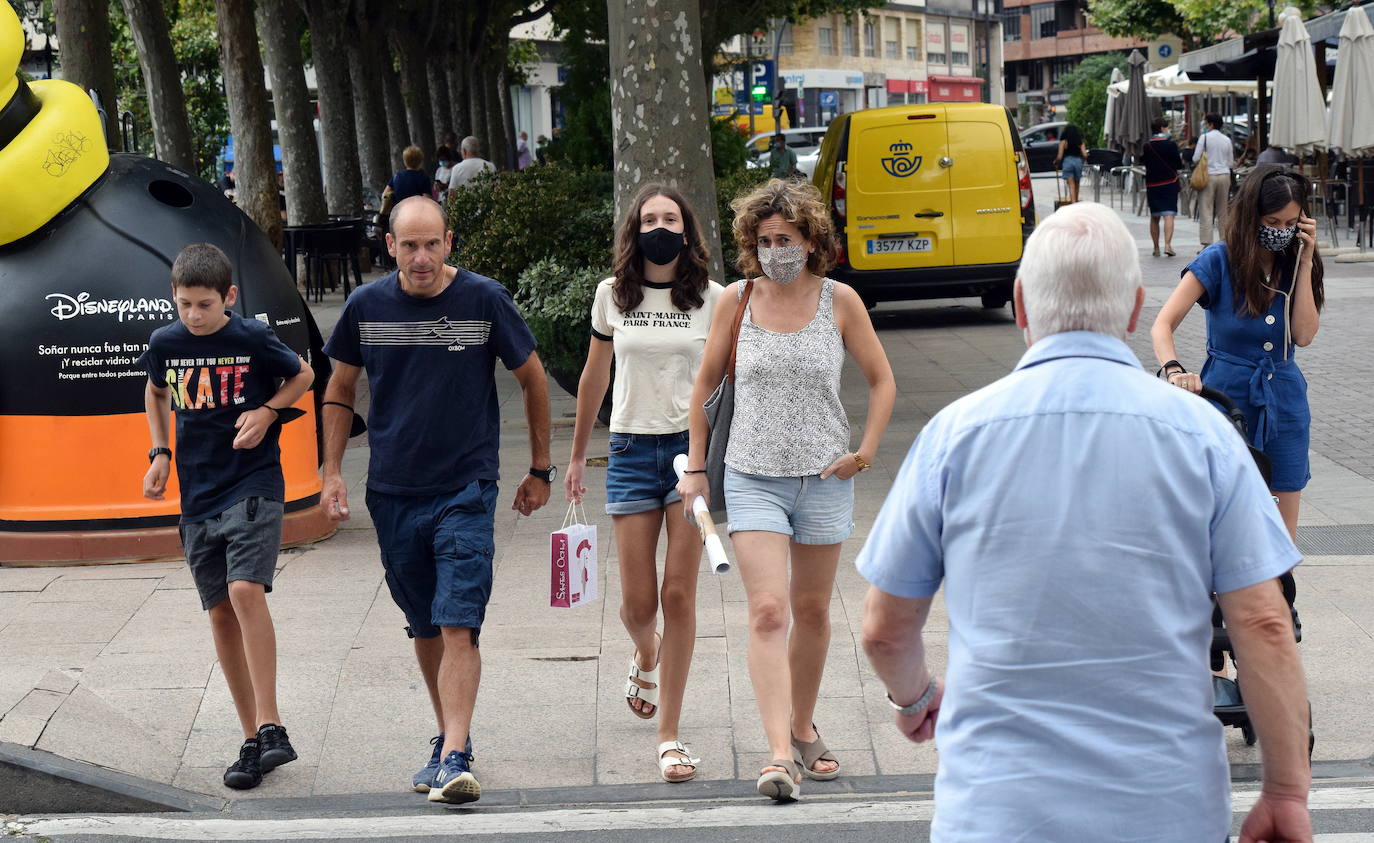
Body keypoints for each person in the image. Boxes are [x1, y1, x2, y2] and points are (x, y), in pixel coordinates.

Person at [857, 202, 1311, 843]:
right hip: (1164, 807)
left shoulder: (954, 436)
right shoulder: (1205, 437)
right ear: (1133, 308)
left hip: (997, 809)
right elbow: (1264, 623)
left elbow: (883, 628)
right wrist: (1286, 790)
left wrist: (914, 698)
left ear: (1019, 302)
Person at [319, 196, 553, 804]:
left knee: (457, 622)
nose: (421, 258)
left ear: (449, 242)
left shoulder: (483, 300)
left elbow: (532, 377)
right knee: (423, 622)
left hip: (466, 488)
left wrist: (540, 468)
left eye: (432, 244)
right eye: (409, 245)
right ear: (390, 246)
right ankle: (451, 736)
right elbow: (339, 387)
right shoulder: (365, 307)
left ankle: (453, 754)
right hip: (393, 490)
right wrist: (331, 472)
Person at [677, 178, 895, 802]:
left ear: (811, 241)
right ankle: (778, 754)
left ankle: (803, 723)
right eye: (765, 240)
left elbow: (882, 382)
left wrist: (865, 453)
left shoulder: (840, 301)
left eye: (787, 239)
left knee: (816, 611)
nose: (775, 250)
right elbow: (703, 391)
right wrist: (696, 469)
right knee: (769, 610)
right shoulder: (737, 303)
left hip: (825, 477)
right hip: (752, 474)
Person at [139, 243, 314, 791]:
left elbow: (303, 376)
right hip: (198, 494)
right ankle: (252, 740)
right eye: (184, 303)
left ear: (229, 298)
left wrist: (266, 412)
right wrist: (159, 454)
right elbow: (154, 391)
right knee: (219, 613)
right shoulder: (165, 344)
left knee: (244, 592)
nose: (193, 315)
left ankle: (272, 722)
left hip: (253, 481)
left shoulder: (251, 337)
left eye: (204, 305)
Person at [564, 184, 724, 783]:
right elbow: (594, 374)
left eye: (671, 217)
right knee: (638, 603)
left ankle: (670, 735)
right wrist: (578, 456)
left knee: (679, 595)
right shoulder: (613, 296)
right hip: (630, 451)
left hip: (692, 456)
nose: (661, 226)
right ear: (635, 228)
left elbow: (725, 381)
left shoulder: (712, 298)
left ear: (688, 230)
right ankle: (646, 651)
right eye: (650, 217)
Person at [1152, 165, 1323, 542]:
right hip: (1227, 401)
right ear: (1252, 216)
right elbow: (1162, 324)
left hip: (1284, 400)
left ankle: (1282, 599)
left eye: (1291, 222)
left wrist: (1307, 261)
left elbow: (1304, 335)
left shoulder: (1295, 262)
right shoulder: (1218, 260)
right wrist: (1174, 368)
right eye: (1272, 220)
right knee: (1227, 524)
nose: (1281, 230)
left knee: (1282, 533)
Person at [1142, 117, 1184, 257]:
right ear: (1161, 128)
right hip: (1169, 183)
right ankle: (1168, 245)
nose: (1167, 130)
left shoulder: (1147, 146)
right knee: (1169, 214)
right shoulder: (1170, 145)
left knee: (1155, 216)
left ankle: (1156, 248)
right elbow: (1178, 164)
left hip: (1152, 184)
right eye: (1166, 127)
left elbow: (1145, 162)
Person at [1194, 113, 1236, 248]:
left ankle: (1207, 243)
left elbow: (1195, 158)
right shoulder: (1226, 139)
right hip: (1224, 175)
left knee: (1206, 209)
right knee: (1223, 210)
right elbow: (1230, 162)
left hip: (1209, 176)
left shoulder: (1204, 137)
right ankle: (1224, 241)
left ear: (1210, 124)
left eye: (1206, 123)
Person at [1053, 122, 1086, 203]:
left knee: (1071, 185)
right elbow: (1085, 155)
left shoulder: (1064, 141)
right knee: (1077, 184)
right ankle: (1076, 202)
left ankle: (1073, 203)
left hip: (1067, 162)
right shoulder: (1080, 141)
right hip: (1078, 162)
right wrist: (1083, 159)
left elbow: (1060, 156)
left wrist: (1056, 162)